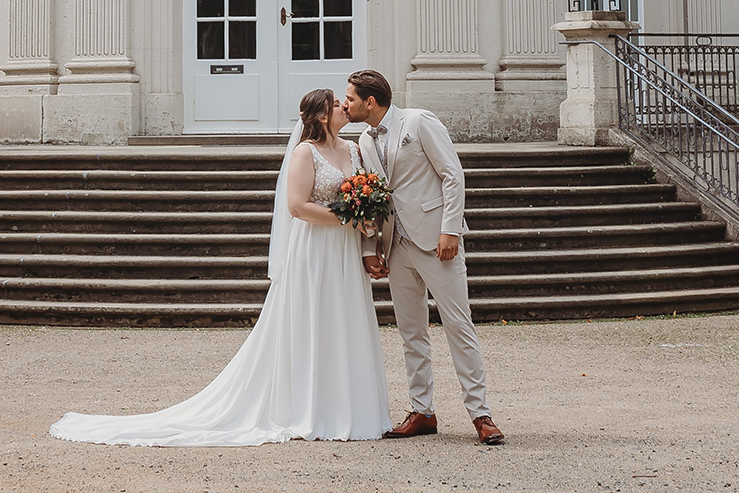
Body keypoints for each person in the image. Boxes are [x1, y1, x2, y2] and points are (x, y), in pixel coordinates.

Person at [49, 89, 392, 446]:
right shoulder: (305, 153)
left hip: (345, 251)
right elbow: (297, 207)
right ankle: (312, 411)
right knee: (314, 324)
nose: (344, 106)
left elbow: (365, 198)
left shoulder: (354, 149)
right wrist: (347, 219)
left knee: (345, 319)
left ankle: (351, 408)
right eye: (337, 103)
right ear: (321, 115)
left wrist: (366, 229)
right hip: (314, 250)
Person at [346, 69, 504, 446]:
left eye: (350, 98)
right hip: (396, 246)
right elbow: (372, 198)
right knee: (411, 333)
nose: (345, 104)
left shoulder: (419, 121)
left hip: (437, 241)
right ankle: (422, 411)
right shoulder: (364, 140)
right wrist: (371, 248)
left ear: (370, 101)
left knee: (458, 326)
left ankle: (480, 414)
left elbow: (452, 174)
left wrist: (451, 230)